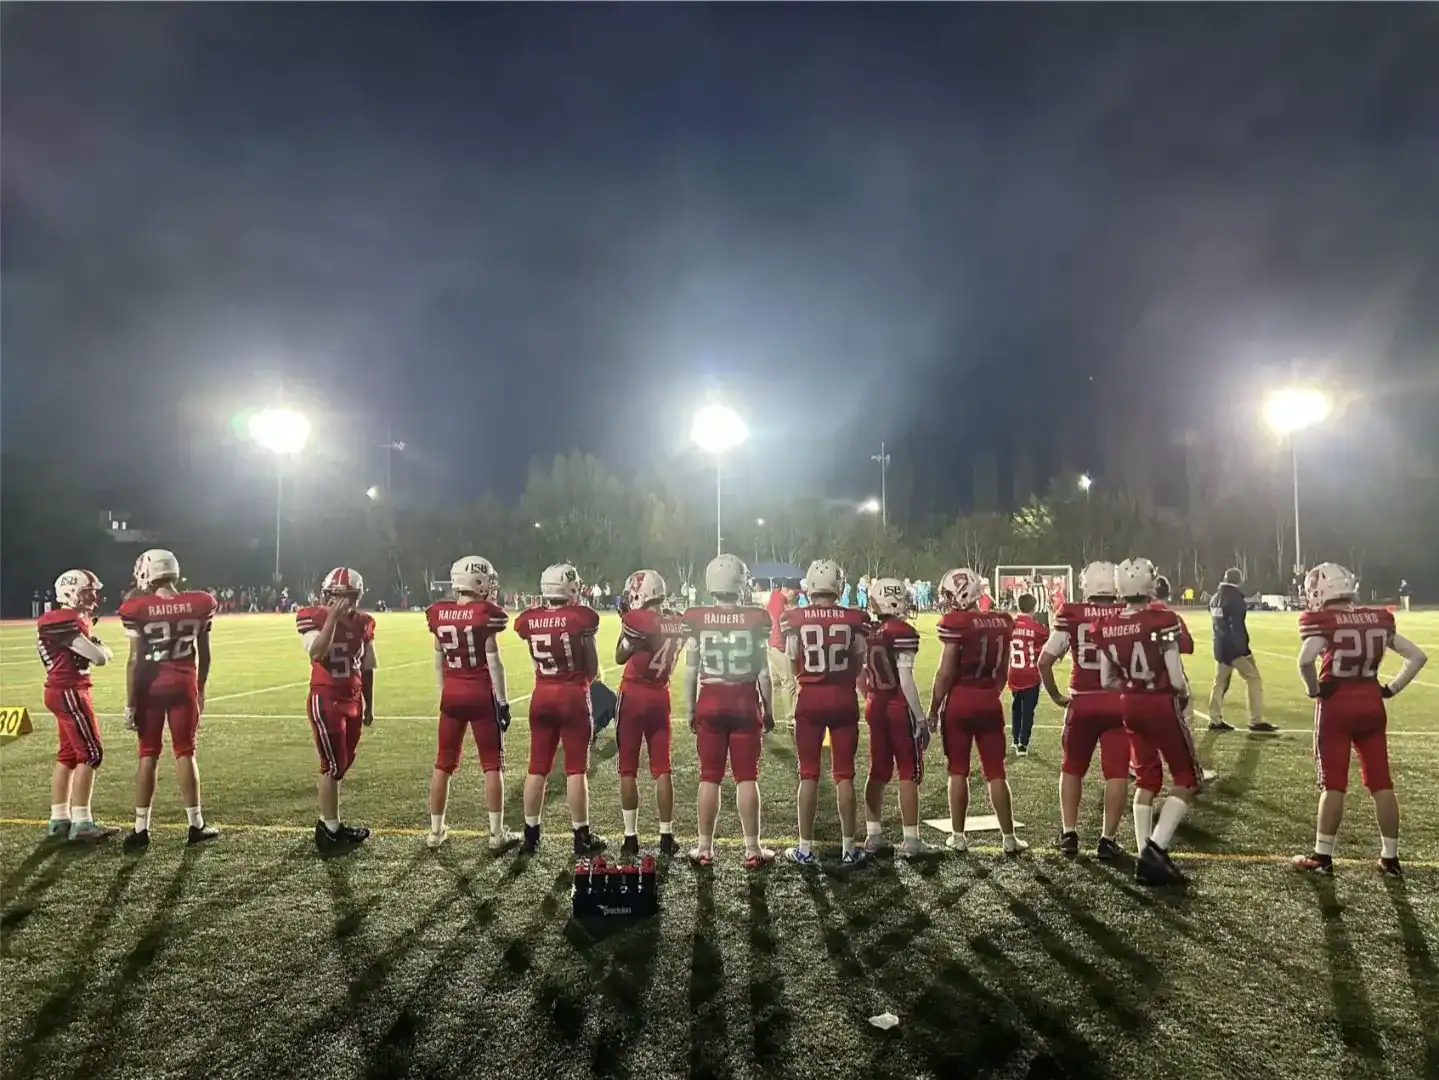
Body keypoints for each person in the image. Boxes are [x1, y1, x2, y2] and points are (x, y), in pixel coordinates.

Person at [1293, 563, 1427, 876]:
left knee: (1334, 785)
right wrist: (1391, 688)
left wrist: (1314, 690)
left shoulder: (1323, 621)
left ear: (1321, 591)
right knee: (1381, 783)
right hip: (1371, 702)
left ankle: (1322, 857)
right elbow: (1417, 656)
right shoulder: (1377, 618)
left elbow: (1305, 660)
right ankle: (1390, 858)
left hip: (1337, 704)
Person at [1095, 558, 1196, 886]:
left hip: (1130, 704)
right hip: (1160, 702)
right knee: (1186, 777)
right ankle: (1156, 848)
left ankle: (1143, 855)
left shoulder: (1107, 625)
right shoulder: (1162, 619)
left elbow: (1106, 679)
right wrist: (1182, 695)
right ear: (1150, 584)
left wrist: (1131, 688)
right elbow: (1177, 678)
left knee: (1146, 779)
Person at [119, 549, 220, 851]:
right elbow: (205, 655)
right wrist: (200, 689)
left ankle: (141, 829)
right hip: (184, 683)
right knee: (185, 752)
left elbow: (135, 661)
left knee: (147, 754)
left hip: (150, 688)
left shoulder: (136, 607)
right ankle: (195, 824)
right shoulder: (200, 603)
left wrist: (130, 703)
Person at [682, 553, 776, 868]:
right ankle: (752, 849)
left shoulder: (696, 617)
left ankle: (704, 848)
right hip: (744, 701)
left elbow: (690, 670)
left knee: (709, 776)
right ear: (740, 583)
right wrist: (769, 709)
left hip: (710, 700)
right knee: (747, 776)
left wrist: (690, 709)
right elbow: (764, 673)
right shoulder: (756, 617)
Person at [929, 567, 1027, 855]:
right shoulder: (1002, 621)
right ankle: (1009, 838)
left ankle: (958, 837)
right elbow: (1003, 670)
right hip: (989, 700)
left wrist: (934, 708)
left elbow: (945, 672)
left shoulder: (956, 623)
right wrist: (991, 692)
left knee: (958, 769)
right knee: (996, 772)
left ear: (962, 593)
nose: (947, 601)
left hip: (960, 700)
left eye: (950, 595)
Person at [424, 556, 516, 851]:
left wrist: (445, 692)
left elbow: (437, 661)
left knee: (443, 763)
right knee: (492, 764)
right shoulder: (485, 614)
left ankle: (435, 832)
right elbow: (494, 662)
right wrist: (502, 700)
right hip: (480, 694)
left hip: (452, 694)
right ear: (478, 581)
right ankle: (496, 834)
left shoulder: (439, 613)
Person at [782, 559, 870, 866]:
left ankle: (805, 848)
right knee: (844, 774)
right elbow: (860, 661)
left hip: (810, 698)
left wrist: (806, 679)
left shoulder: (795, 617)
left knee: (808, 773)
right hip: (844, 698)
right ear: (839, 586)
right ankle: (849, 848)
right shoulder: (854, 618)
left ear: (810, 586)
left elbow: (792, 660)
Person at [1038, 562, 1127, 859]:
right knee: (1116, 774)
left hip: (1082, 703)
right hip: (1118, 704)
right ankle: (1107, 840)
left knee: (1072, 768)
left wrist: (1055, 696)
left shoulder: (1072, 613)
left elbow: (1044, 662)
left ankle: (1069, 835)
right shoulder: (1129, 613)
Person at [514, 564, 604, 856]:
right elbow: (592, 665)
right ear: (570, 588)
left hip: (541, 696)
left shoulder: (530, 619)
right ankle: (581, 837)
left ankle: (530, 835)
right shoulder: (581, 617)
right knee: (576, 769)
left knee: (537, 767)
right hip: (573, 696)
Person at [297, 567, 377, 850]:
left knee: (342, 763)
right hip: (326, 697)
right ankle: (329, 829)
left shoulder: (364, 622)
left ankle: (332, 823)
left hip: (353, 698)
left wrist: (369, 703)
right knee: (331, 765)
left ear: (357, 597)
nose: (341, 602)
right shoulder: (314, 616)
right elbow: (317, 652)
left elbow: (367, 666)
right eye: (335, 596)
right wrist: (332, 618)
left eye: (347, 596)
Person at [38, 569, 119, 841]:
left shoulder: (70, 619)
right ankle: (82, 822)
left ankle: (59, 818)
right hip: (70, 691)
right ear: (71, 592)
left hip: (60, 690)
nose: (93, 597)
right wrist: (103, 649)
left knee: (69, 755)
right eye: (87, 592)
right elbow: (99, 657)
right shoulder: (63, 619)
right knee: (91, 753)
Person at [860, 577, 935, 858]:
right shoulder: (902, 631)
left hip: (874, 704)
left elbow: (860, 673)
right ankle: (911, 840)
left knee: (878, 770)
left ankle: (873, 835)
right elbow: (905, 679)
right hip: (898, 707)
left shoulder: (868, 631)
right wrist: (921, 718)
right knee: (908, 771)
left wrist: (869, 695)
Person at [614, 569, 686, 856]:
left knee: (628, 768)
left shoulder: (638, 622)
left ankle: (630, 837)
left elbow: (620, 655)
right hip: (660, 695)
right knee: (662, 768)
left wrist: (624, 621)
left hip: (634, 695)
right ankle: (666, 836)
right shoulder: (677, 621)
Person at [1207, 568, 1274, 732]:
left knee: (1219, 682)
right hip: (1234, 648)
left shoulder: (1215, 598)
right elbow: (1236, 627)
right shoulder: (1235, 599)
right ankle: (1255, 719)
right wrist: (1243, 650)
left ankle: (1214, 718)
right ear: (1239, 580)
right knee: (1253, 678)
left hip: (1220, 645)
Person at [1007, 593, 1045, 756]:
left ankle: (1015, 739)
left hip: (1014, 672)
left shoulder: (1010, 625)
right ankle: (1023, 743)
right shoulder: (1037, 627)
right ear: (1034, 608)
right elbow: (1046, 643)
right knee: (1028, 710)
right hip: (1030, 674)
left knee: (1016, 707)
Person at [765, 578, 799, 722]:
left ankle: (766, 714)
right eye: (794, 593)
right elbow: (777, 625)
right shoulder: (779, 601)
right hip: (777, 646)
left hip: (770, 645)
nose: (795, 596)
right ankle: (790, 718)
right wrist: (782, 646)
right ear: (787, 589)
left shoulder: (775, 599)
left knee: (773, 684)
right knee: (789, 682)